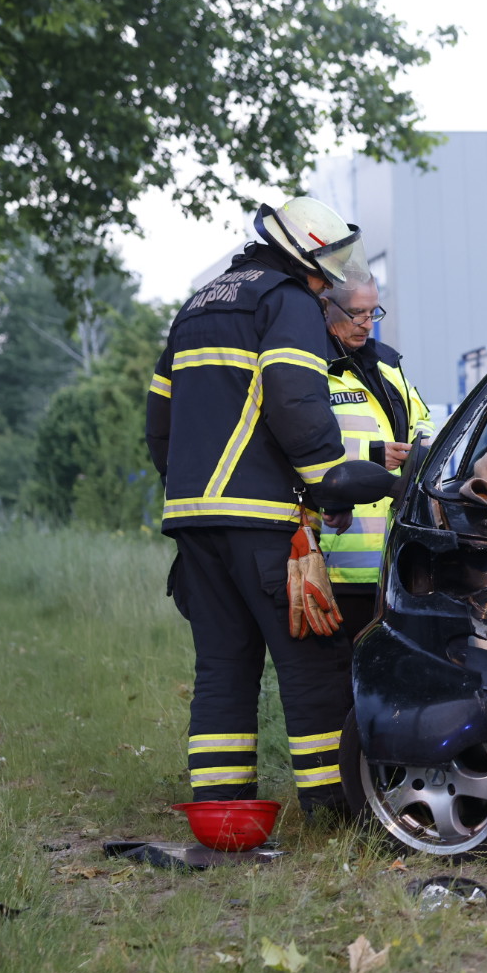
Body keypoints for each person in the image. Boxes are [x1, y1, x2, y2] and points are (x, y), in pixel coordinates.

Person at [146, 196, 371, 817]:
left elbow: (160, 416)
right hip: (262, 519)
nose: (331, 275)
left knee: (223, 663)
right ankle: (333, 807)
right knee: (311, 657)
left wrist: (189, 489)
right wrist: (330, 479)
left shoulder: (199, 305)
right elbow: (296, 400)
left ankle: (221, 808)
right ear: (302, 253)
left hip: (195, 522)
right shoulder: (287, 302)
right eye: (328, 261)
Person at [317, 276, 433, 642]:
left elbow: (424, 425)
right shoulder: (307, 367)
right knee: (334, 682)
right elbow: (302, 446)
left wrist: (421, 449)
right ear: (325, 308)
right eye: (356, 313)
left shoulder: (388, 364)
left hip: (395, 561)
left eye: (373, 312)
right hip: (337, 561)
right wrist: (371, 456)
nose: (368, 323)